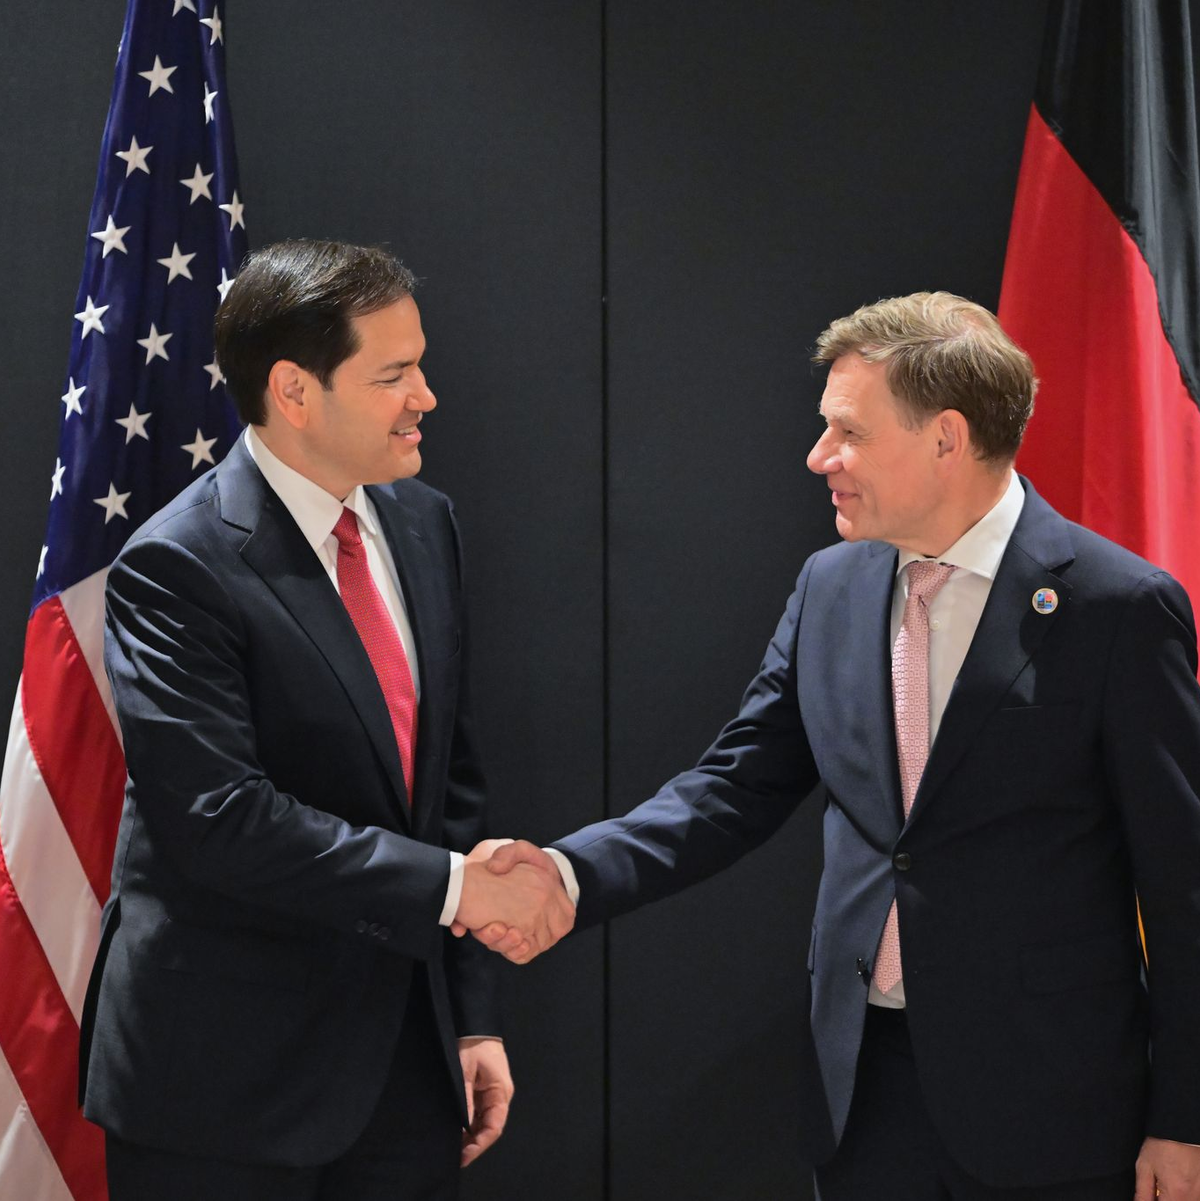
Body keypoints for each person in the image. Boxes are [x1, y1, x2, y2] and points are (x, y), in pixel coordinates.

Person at [470, 293, 1200, 1199]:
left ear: (946, 437)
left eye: (847, 433)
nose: (821, 458)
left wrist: (1185, 1117)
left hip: (1050, 1108)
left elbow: (1182, 886)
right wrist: (568, 875)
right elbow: (733, 787)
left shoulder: (1116, 609)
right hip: (862, 1096)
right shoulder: (831, 585)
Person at [79, 239, 574, 1201]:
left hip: (403, 1073)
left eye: (419, 364)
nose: (425, 394)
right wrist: (456, 891)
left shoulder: (426, 523)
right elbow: (220, 818)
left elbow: (450, 787)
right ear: (295, 391)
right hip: (224, 1090)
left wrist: (470, 1015)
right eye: (394, 374)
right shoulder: (176, 565)